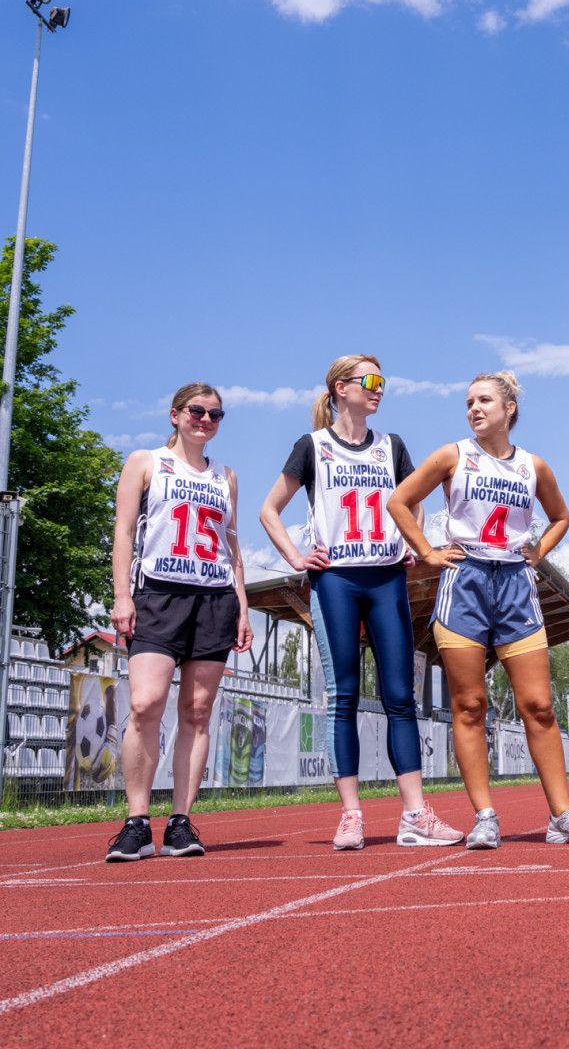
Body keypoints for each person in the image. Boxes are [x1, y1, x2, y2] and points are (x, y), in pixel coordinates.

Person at [388, 371, 569, 848]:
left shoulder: (534, 466)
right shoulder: (452, 456)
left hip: (515, 584)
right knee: (469, 705)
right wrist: (427, 552)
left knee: (539, 706)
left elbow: (561, 517)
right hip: (465, 581)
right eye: (469, 402)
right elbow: (399, 501)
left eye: (485, 400)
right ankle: (485, 816)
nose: (474, 408)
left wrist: (539, 551)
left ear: (509, 408)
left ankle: (563, 815)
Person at [260, 355, 461, 851]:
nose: (378, 389)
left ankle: (415, 814)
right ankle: (351, 815)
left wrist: (413, 542)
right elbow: (269, 510)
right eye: (369, 380)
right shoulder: (312, 446)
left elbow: (415, 501)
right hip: (336, 581)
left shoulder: (392, 446)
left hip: (387, 578)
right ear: (340, 388)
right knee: (343, 695)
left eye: (382, 381)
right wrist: (297, 558)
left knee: (400, 696)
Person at [106, 383, 252, 861]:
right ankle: (136, 822)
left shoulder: (226, 476)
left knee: (197, 712)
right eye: (196, 410)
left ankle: (181, 822)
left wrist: (242, 606)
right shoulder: (146, 462)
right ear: (175, 414)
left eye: (215, 414)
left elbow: (232, 548)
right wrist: (122, 596)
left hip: (214, 599)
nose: (205, 420)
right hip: (158, 595)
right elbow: (124, 530)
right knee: (145, 703)